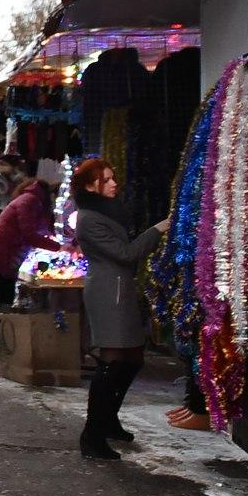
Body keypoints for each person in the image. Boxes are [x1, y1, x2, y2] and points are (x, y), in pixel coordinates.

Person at [70, 157, 164, 461]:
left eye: (113, 178)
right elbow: (125, 253)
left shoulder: (103, 212)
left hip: (119, 290)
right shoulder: (88, 218)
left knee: (132, 358)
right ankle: (92, 435)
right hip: (108, 292)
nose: (114, 184)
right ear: (89, 185)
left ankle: (108, 420)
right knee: (112, 360)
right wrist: (157, 230)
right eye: (106, 179)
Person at [0, 166, 58, 373]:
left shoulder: (32, 202)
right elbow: (29, 233)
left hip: (8, 263)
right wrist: (59, 247)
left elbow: (41, 229)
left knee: (3, 307)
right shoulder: (29, 202)